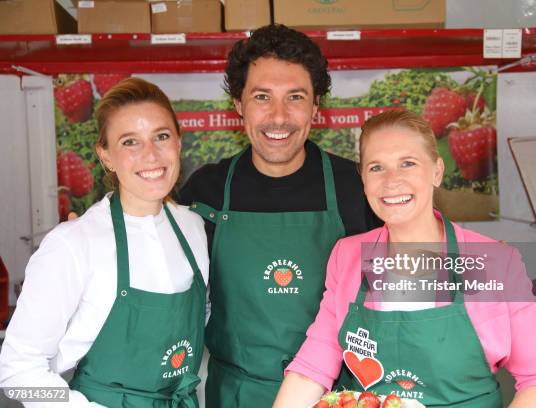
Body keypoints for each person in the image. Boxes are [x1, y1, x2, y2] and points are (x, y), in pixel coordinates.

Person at [274, 110, 536, 407]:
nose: (392, 181)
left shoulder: (494, 263)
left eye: (408, 163)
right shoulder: (347, 256)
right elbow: (313, 368)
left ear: (437, 172)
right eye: (376, 167)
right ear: (362, 177)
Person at [179, 24, 378, 407]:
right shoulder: (205, 190)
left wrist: (480, 267)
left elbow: (417, 284)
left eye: (296, 97)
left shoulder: (359, 187)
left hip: (339, 396)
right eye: (262, 96)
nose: (279, 116)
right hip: (237, 396)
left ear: (316, 106)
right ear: (238, 104)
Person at [0, 78, 209, 407]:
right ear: (106, 156)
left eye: (161, 136)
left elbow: (200, 321)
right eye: (130, 142)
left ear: (179, 144)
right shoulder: (73, 244)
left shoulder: (193, 227)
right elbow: (16, 373)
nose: (151, 154)